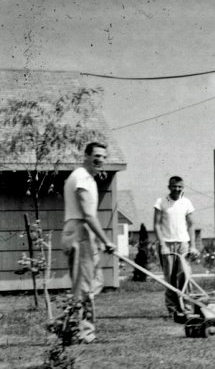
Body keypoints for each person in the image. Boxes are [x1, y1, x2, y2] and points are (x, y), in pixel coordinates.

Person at [61, 141, 116, 343]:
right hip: (79, 231)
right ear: (85, 155)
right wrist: (106, 240)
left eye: (103, 156)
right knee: (84, 286)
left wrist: (98, 241)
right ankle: (83, 332)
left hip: (84, 232)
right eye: (97, 156)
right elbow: (87, 214)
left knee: (93, 282)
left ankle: (71, 327)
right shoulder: (81, 177)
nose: (100, 160)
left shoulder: (89, 179)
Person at [153, 176, 198, 319]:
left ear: (183, 187)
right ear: (169, 187)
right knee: (170, 279)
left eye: (180, 187)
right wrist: (163, 245)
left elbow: (191, 225)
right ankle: (172, 310)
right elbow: (157, 225)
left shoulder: (186, 203)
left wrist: (193, 246)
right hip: (167, 244)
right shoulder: (161, 202)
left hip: (183, 244)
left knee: (185, 274)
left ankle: (187, 308)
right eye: (174, 186)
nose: (177, 189)